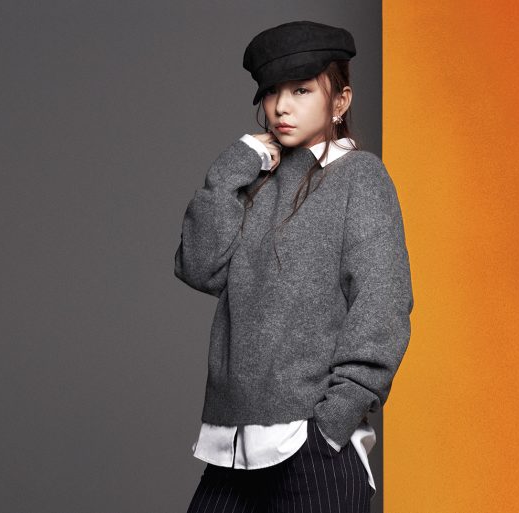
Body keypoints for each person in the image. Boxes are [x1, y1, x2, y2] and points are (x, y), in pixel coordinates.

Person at [174, 20, 414, 513]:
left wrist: (334, 420)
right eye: (271, 92)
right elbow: (199, 267)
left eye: (301, 90)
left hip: (312, 446)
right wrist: (231, 169)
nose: (281, 106)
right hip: (233, 444)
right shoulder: (255, 180)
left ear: (340, 101)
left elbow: (383, 303)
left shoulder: (360, 178)